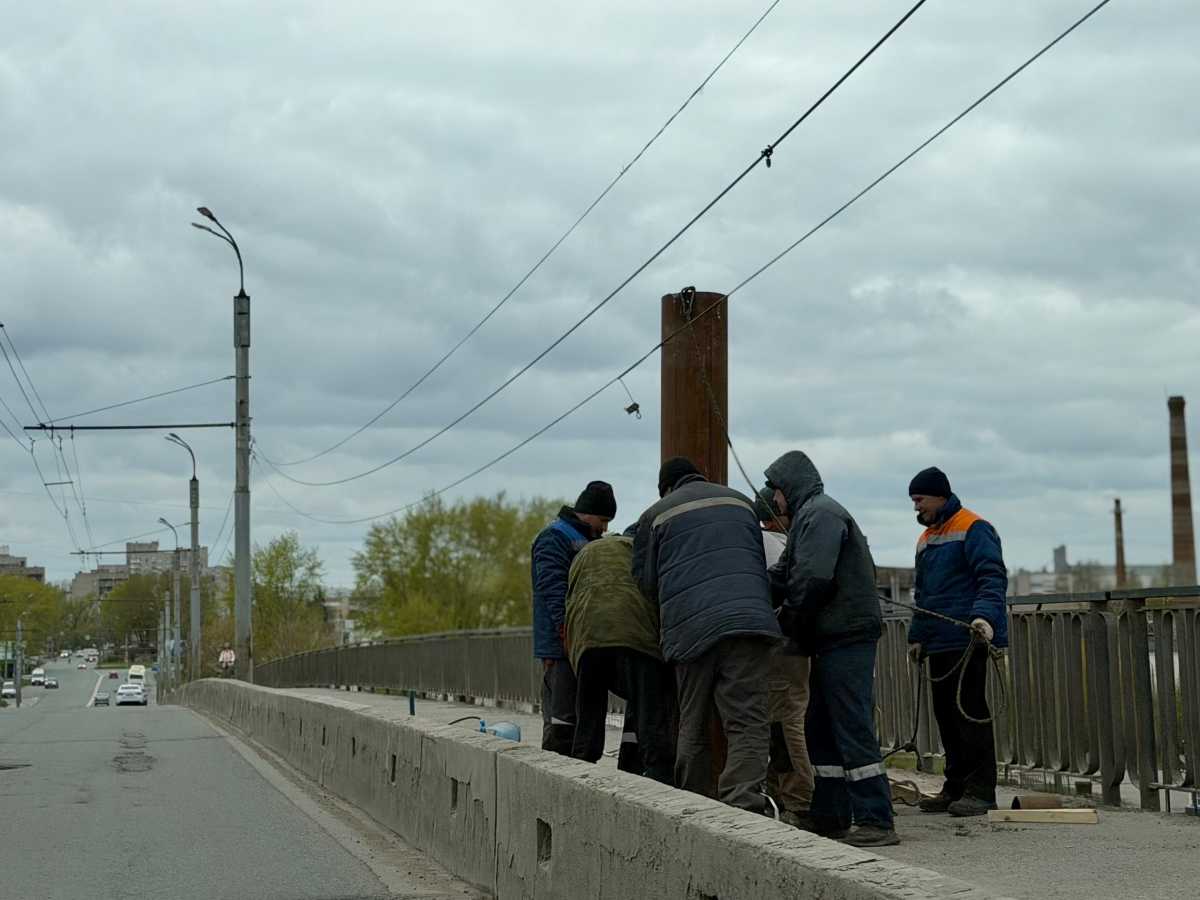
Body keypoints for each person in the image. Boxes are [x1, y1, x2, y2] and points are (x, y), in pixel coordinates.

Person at [632, 456, 781, 813]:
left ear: (666, 488)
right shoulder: (741, 503)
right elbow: (753, 559)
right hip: (749, 622)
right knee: (747, 719)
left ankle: (695, 804)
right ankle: (744, 801)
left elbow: (646, 581)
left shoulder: (655, 515)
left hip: (690, 629)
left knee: (692, 719)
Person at [764, 450, 897, 847]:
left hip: (845, 636)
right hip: (828, 637)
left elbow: (811, 579)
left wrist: (785, 619)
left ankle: (876, 818)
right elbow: (784, 574)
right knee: (818, 725)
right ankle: (830, 815)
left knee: (850, 723)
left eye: (775, 490)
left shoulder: (820, 515)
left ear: (788, 487)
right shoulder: (809, 517)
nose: (773, 499)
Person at [907, 467, 1007, 817]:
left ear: (940, 496)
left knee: (970, 714)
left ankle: (981, 790)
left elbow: (991, 576)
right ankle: (956, 786)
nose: (917, 507)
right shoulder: (927, 538)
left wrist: (984, 618)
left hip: (967, 637)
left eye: (920, 500)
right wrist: (918, 635)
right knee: (947, 717)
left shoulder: (973, 527)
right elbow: (925, 593)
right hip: (939, 639)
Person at [564, 526, 675, 784]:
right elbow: (655, 594)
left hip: (588, 637)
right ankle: (657, 774)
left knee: (589, 708)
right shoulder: (639, 550)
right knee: (649, 708)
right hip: (634, 636)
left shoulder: (587, 552)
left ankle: (581, 769)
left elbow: (570, 599)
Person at [532, 480, 617, 755]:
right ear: (588, 512)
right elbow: (553, 589)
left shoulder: (589, 540)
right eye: (603, 520)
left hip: (586, 644)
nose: (604, 528)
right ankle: (553, 772)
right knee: (562, 718)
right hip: (563, 645)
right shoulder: (554, 538)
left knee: (582, 719)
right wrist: (565, 631)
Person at [754, 487, 814, 827]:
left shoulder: (764, 544)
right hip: (796, 641)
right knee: (790, 716)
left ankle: (796, 797)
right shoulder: (788, 544)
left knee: (783, 719)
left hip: (779, 642)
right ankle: (789, 791)